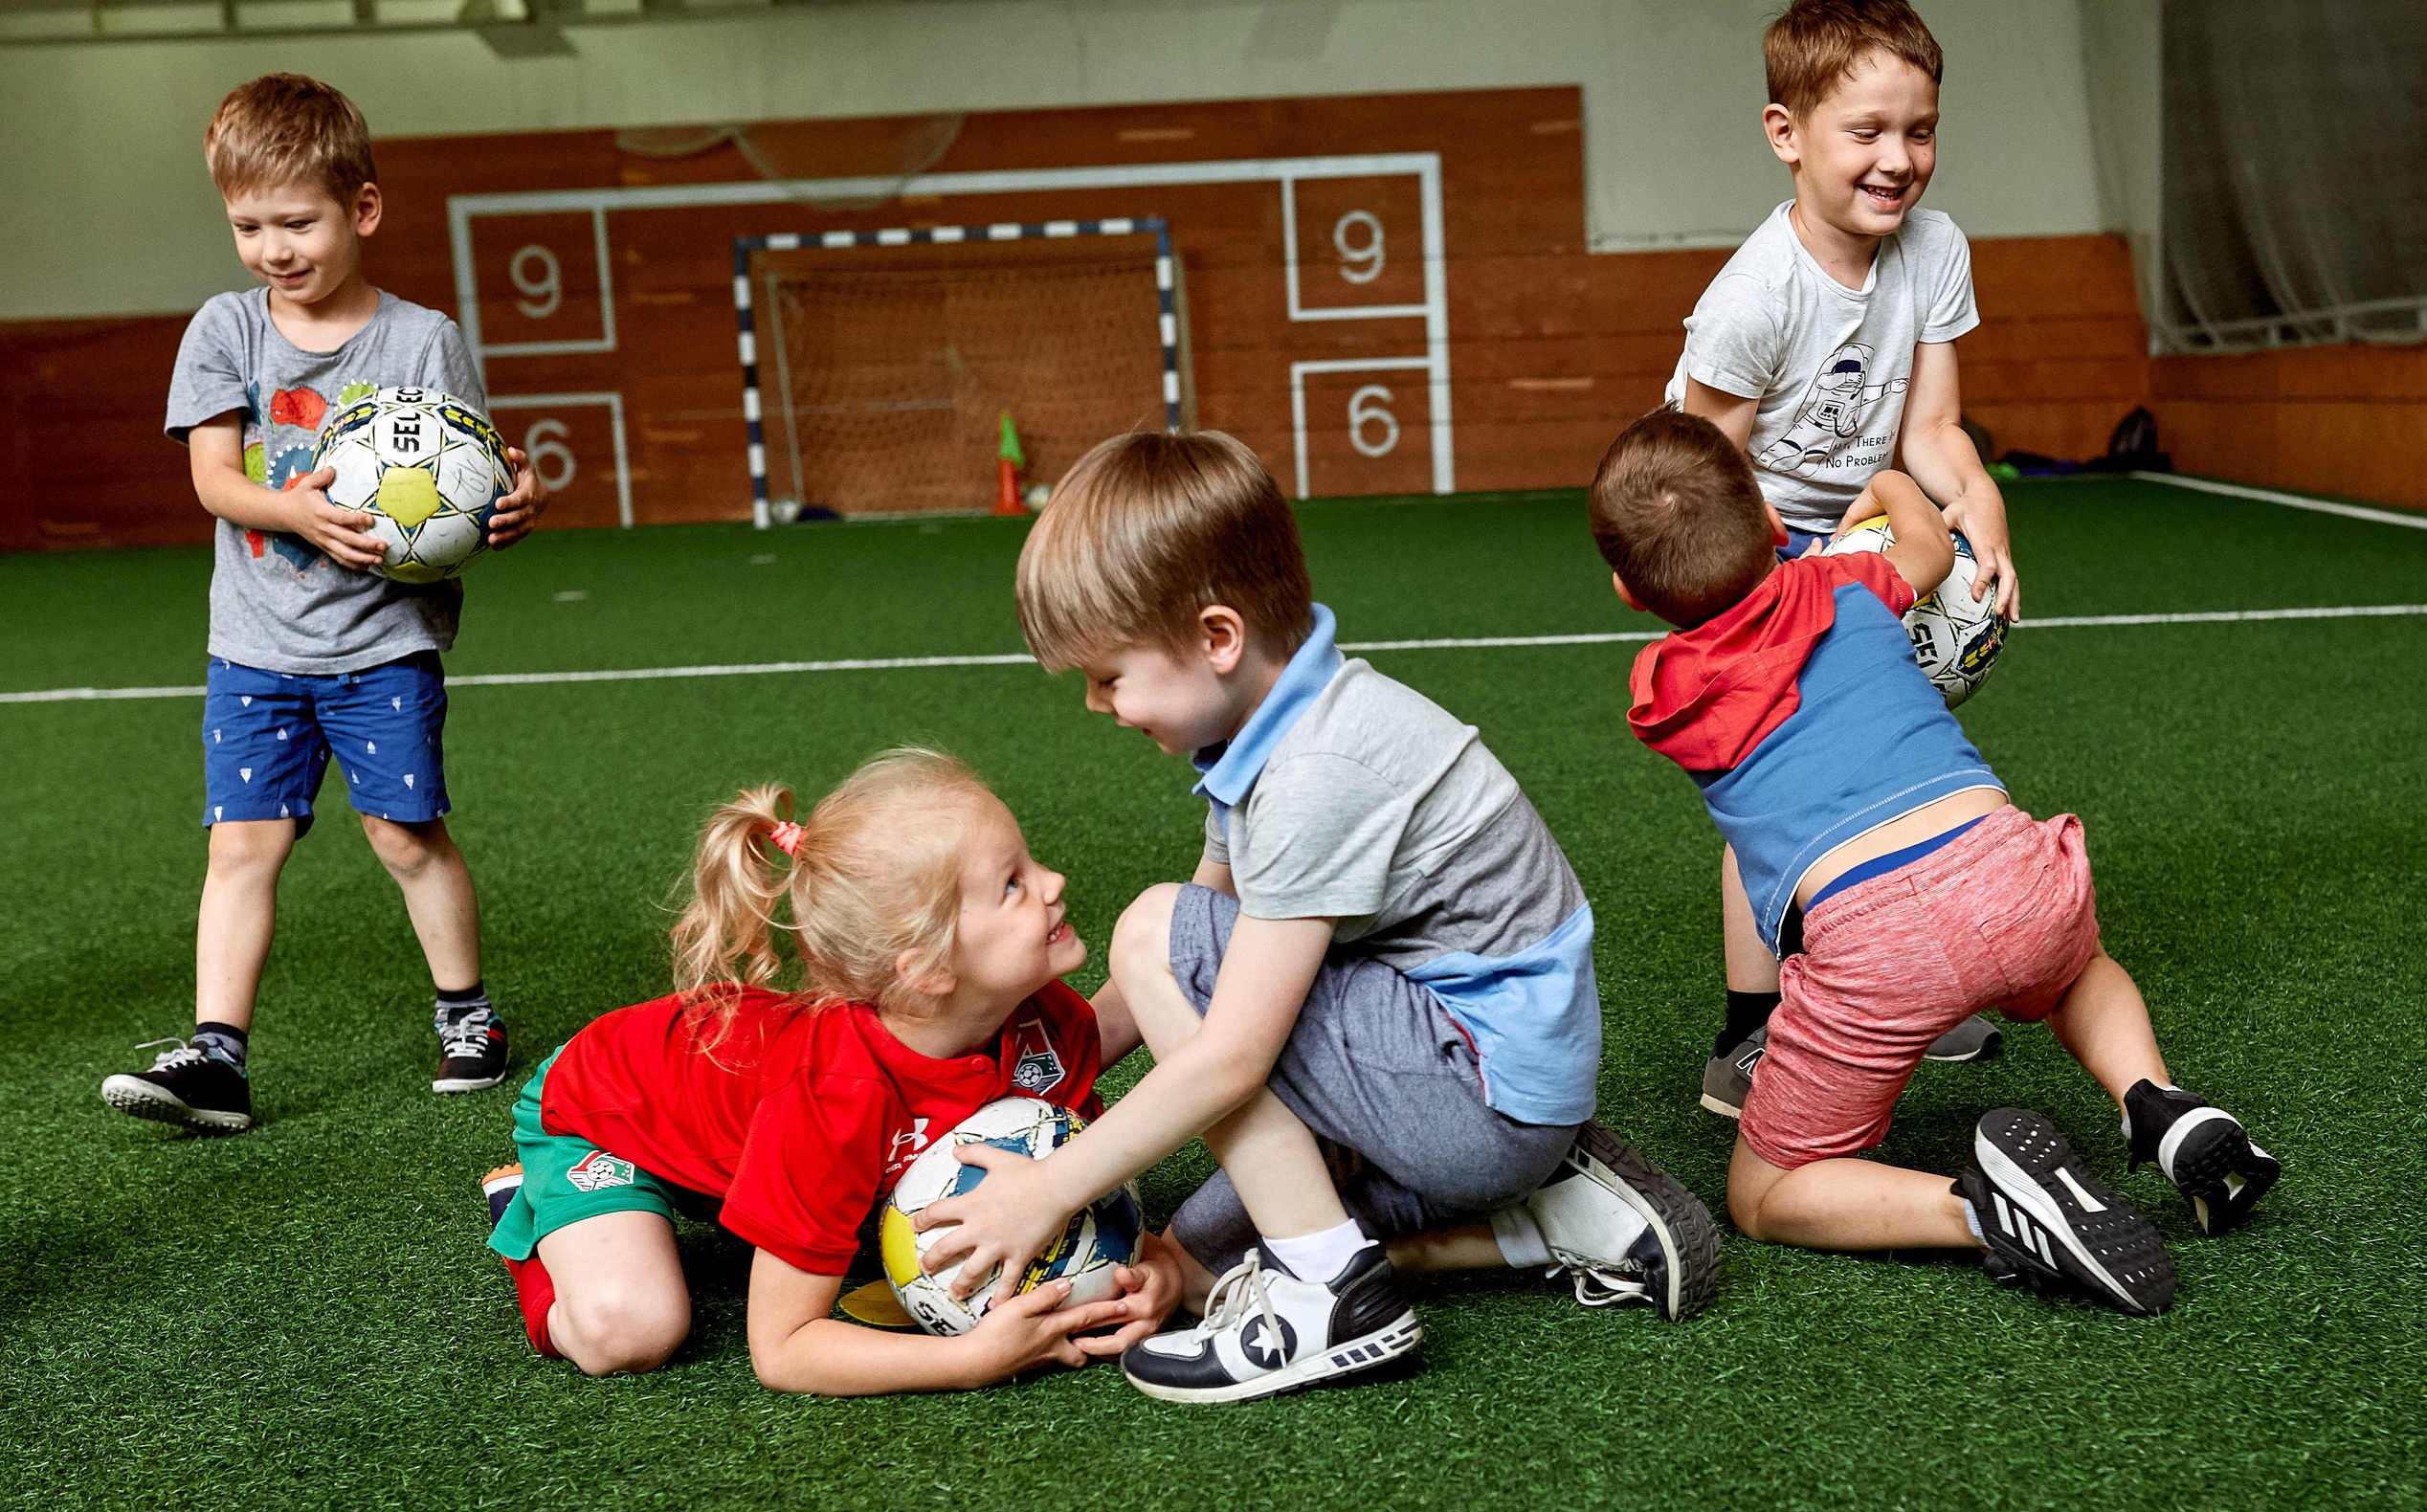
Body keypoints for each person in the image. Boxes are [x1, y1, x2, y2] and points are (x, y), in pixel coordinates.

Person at [913, 429, 1720, 1407]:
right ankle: (1544, 1215)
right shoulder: (1273, 723)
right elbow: (1210, 943)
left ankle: (1336, 1297)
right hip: (1462, 1070)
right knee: (1194, 1258)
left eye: (1108, 675)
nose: (1095, 703)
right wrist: (1056, 1080)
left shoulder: (1317, 774)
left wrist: (1049, 1186)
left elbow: (1222, 1041)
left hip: (1474, 1089)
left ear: (1217, 638)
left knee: (1149, 928)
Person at [1590, 409, 2281, 1313]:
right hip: (2009, 873)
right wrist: (1886, 486)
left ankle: (1981, 1211)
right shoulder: (1846, 586)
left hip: (1870, 948)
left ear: (1626, 592)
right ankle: (2155, 1098)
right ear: (1767, 522)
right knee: (2077, 969)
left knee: (1762, 1193)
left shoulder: (1663, 692)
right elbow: (1928, 546)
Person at [101, 74, 546, 1133]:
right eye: (248, 226)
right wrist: (291, 511)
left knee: (405, 836)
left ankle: (467, 1014)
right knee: (240, 846)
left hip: (383, 642)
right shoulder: (223, 331)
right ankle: (218, 1057)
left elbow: (474, 472)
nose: (273, 248)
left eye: (296, 221)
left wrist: (513, 502)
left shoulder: (422, 340)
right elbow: (214, 480)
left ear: (364, 209)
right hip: (254, 645)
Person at [479, 749, 1182, 1393]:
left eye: (1031, 864)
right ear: (930, 969)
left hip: (735, 1125)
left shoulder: (1044, 1020)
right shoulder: (833, 1096)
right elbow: (782, 1348)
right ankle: (528, 1214)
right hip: (602, 1112)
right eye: (1012, 884)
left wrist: (1154, 1269)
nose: (1053, 882)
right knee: (630, 1330)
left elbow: (1069, 1182)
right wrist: (969, 1360)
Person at [1669, 0, 2019, 1114]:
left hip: (1862, 531)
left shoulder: (1936, 248)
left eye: (1917, 131)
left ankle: (1888, 979)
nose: (1897, 159)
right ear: (1787, 133)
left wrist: (1978, 508)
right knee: (1783, 784)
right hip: (1739, 549)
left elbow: (1930, 428)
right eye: (1864, 132)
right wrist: (1787, 587)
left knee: (1883, 767)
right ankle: (1752, 1035)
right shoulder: (1751, 295)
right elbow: (1697, 481)